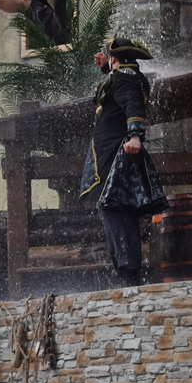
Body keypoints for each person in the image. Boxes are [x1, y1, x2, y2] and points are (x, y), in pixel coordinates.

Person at [79, 37, 168, 286]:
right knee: (118, 207)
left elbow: (132, 104)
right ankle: (127, 271)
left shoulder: (125, 78)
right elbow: (117, 90)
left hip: (117, 153)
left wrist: (136, 136)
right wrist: (106, 66)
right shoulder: (126, 74)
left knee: (115, 206)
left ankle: (128, 273)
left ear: (115, 58)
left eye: (109, 58)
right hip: (113, 152)